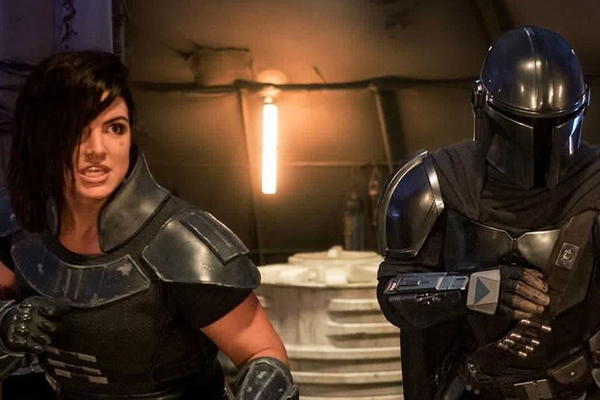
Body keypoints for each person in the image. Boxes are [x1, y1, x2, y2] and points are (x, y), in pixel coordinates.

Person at [0, 51, 298, 400]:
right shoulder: (21, 225)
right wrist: (6, 325)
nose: (97, 149)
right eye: (77, 129)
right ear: (41, 136)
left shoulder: (183, 244)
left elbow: (265, 357)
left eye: (114, 128)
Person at [376, 26, 600, 400]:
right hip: (471, 386)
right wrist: (476, 289)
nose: (539, 140)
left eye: (553, 124)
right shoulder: (435, 181)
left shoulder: (593, 182)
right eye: (525, 123)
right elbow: (394, 292)